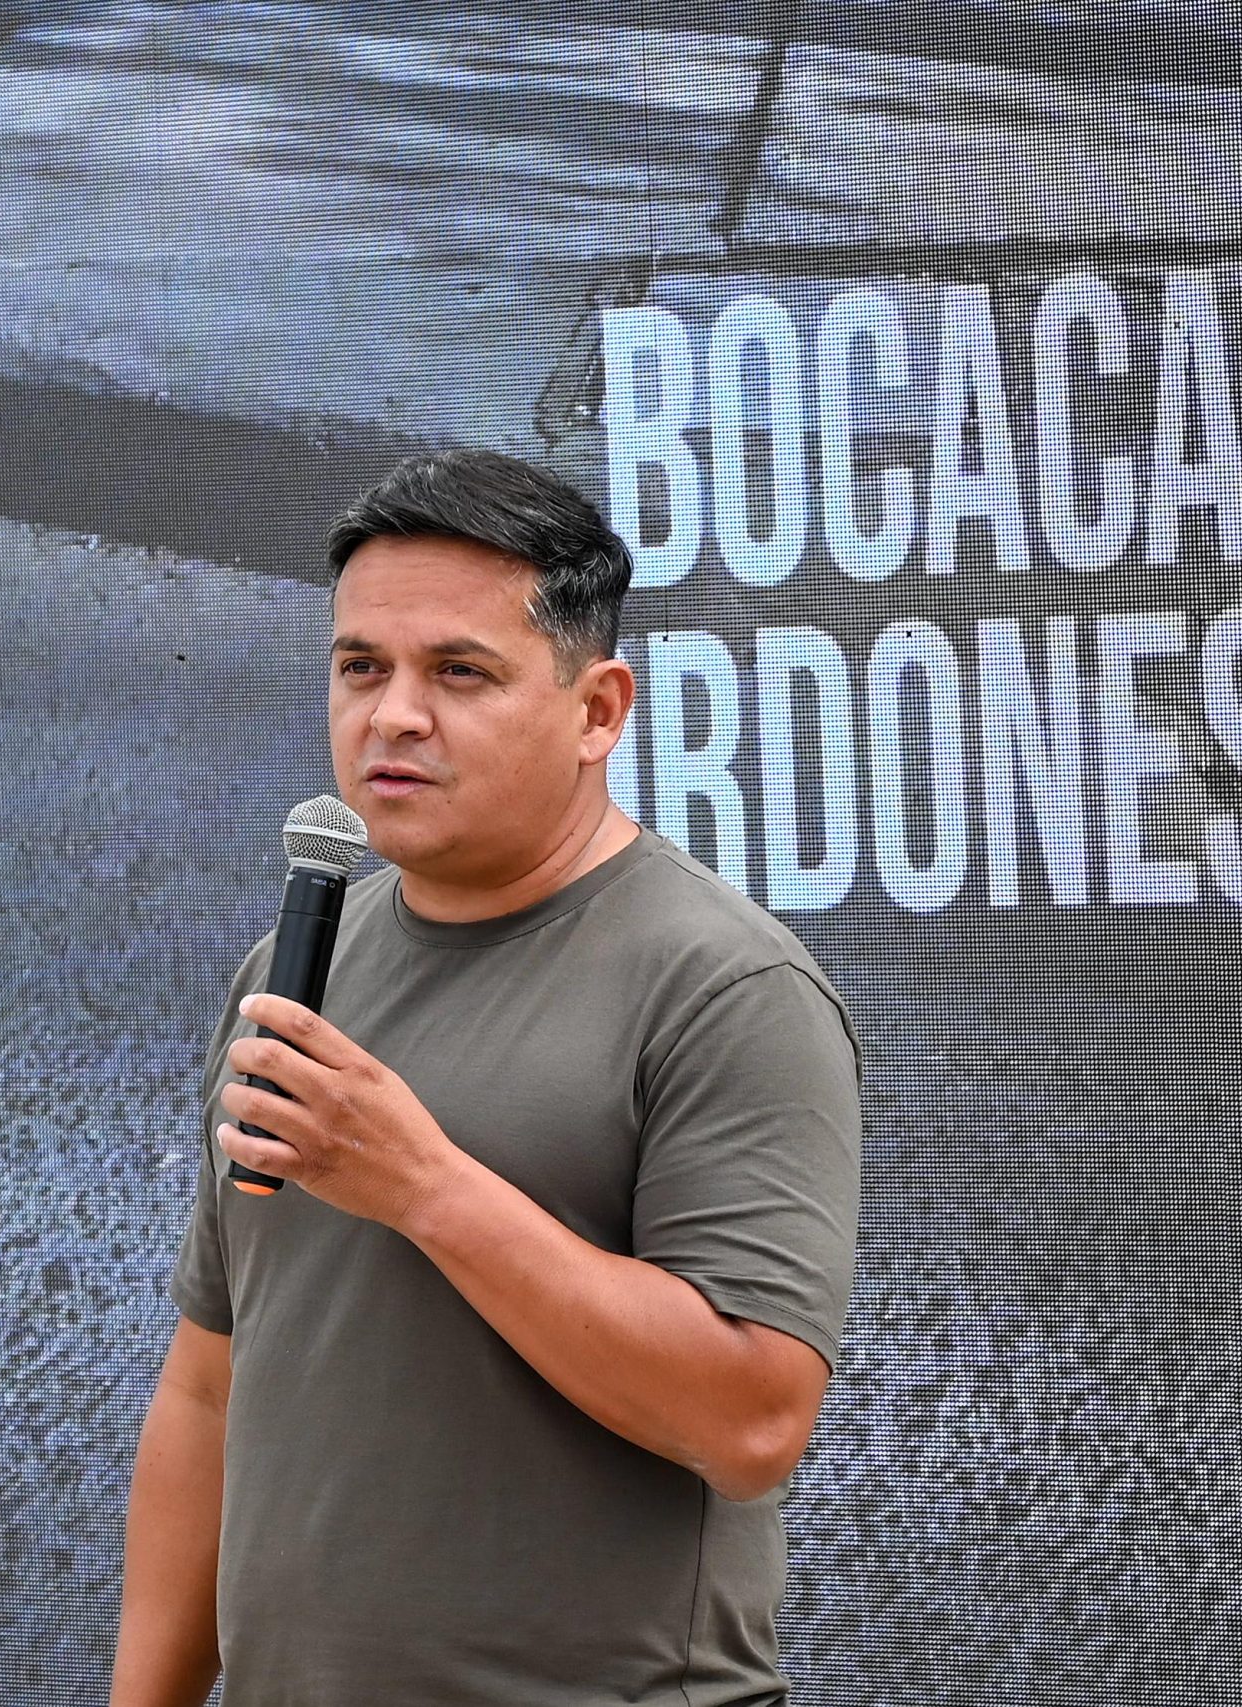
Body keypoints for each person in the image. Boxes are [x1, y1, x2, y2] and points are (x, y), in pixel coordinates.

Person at [109, 448, 863, 1706]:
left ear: (597, 711)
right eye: (361, 667)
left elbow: (750, 1423)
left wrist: (422, 1186)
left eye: (459, 672)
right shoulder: (291, 972)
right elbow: (206, 1392)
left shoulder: (727, 989)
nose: (393, 716)